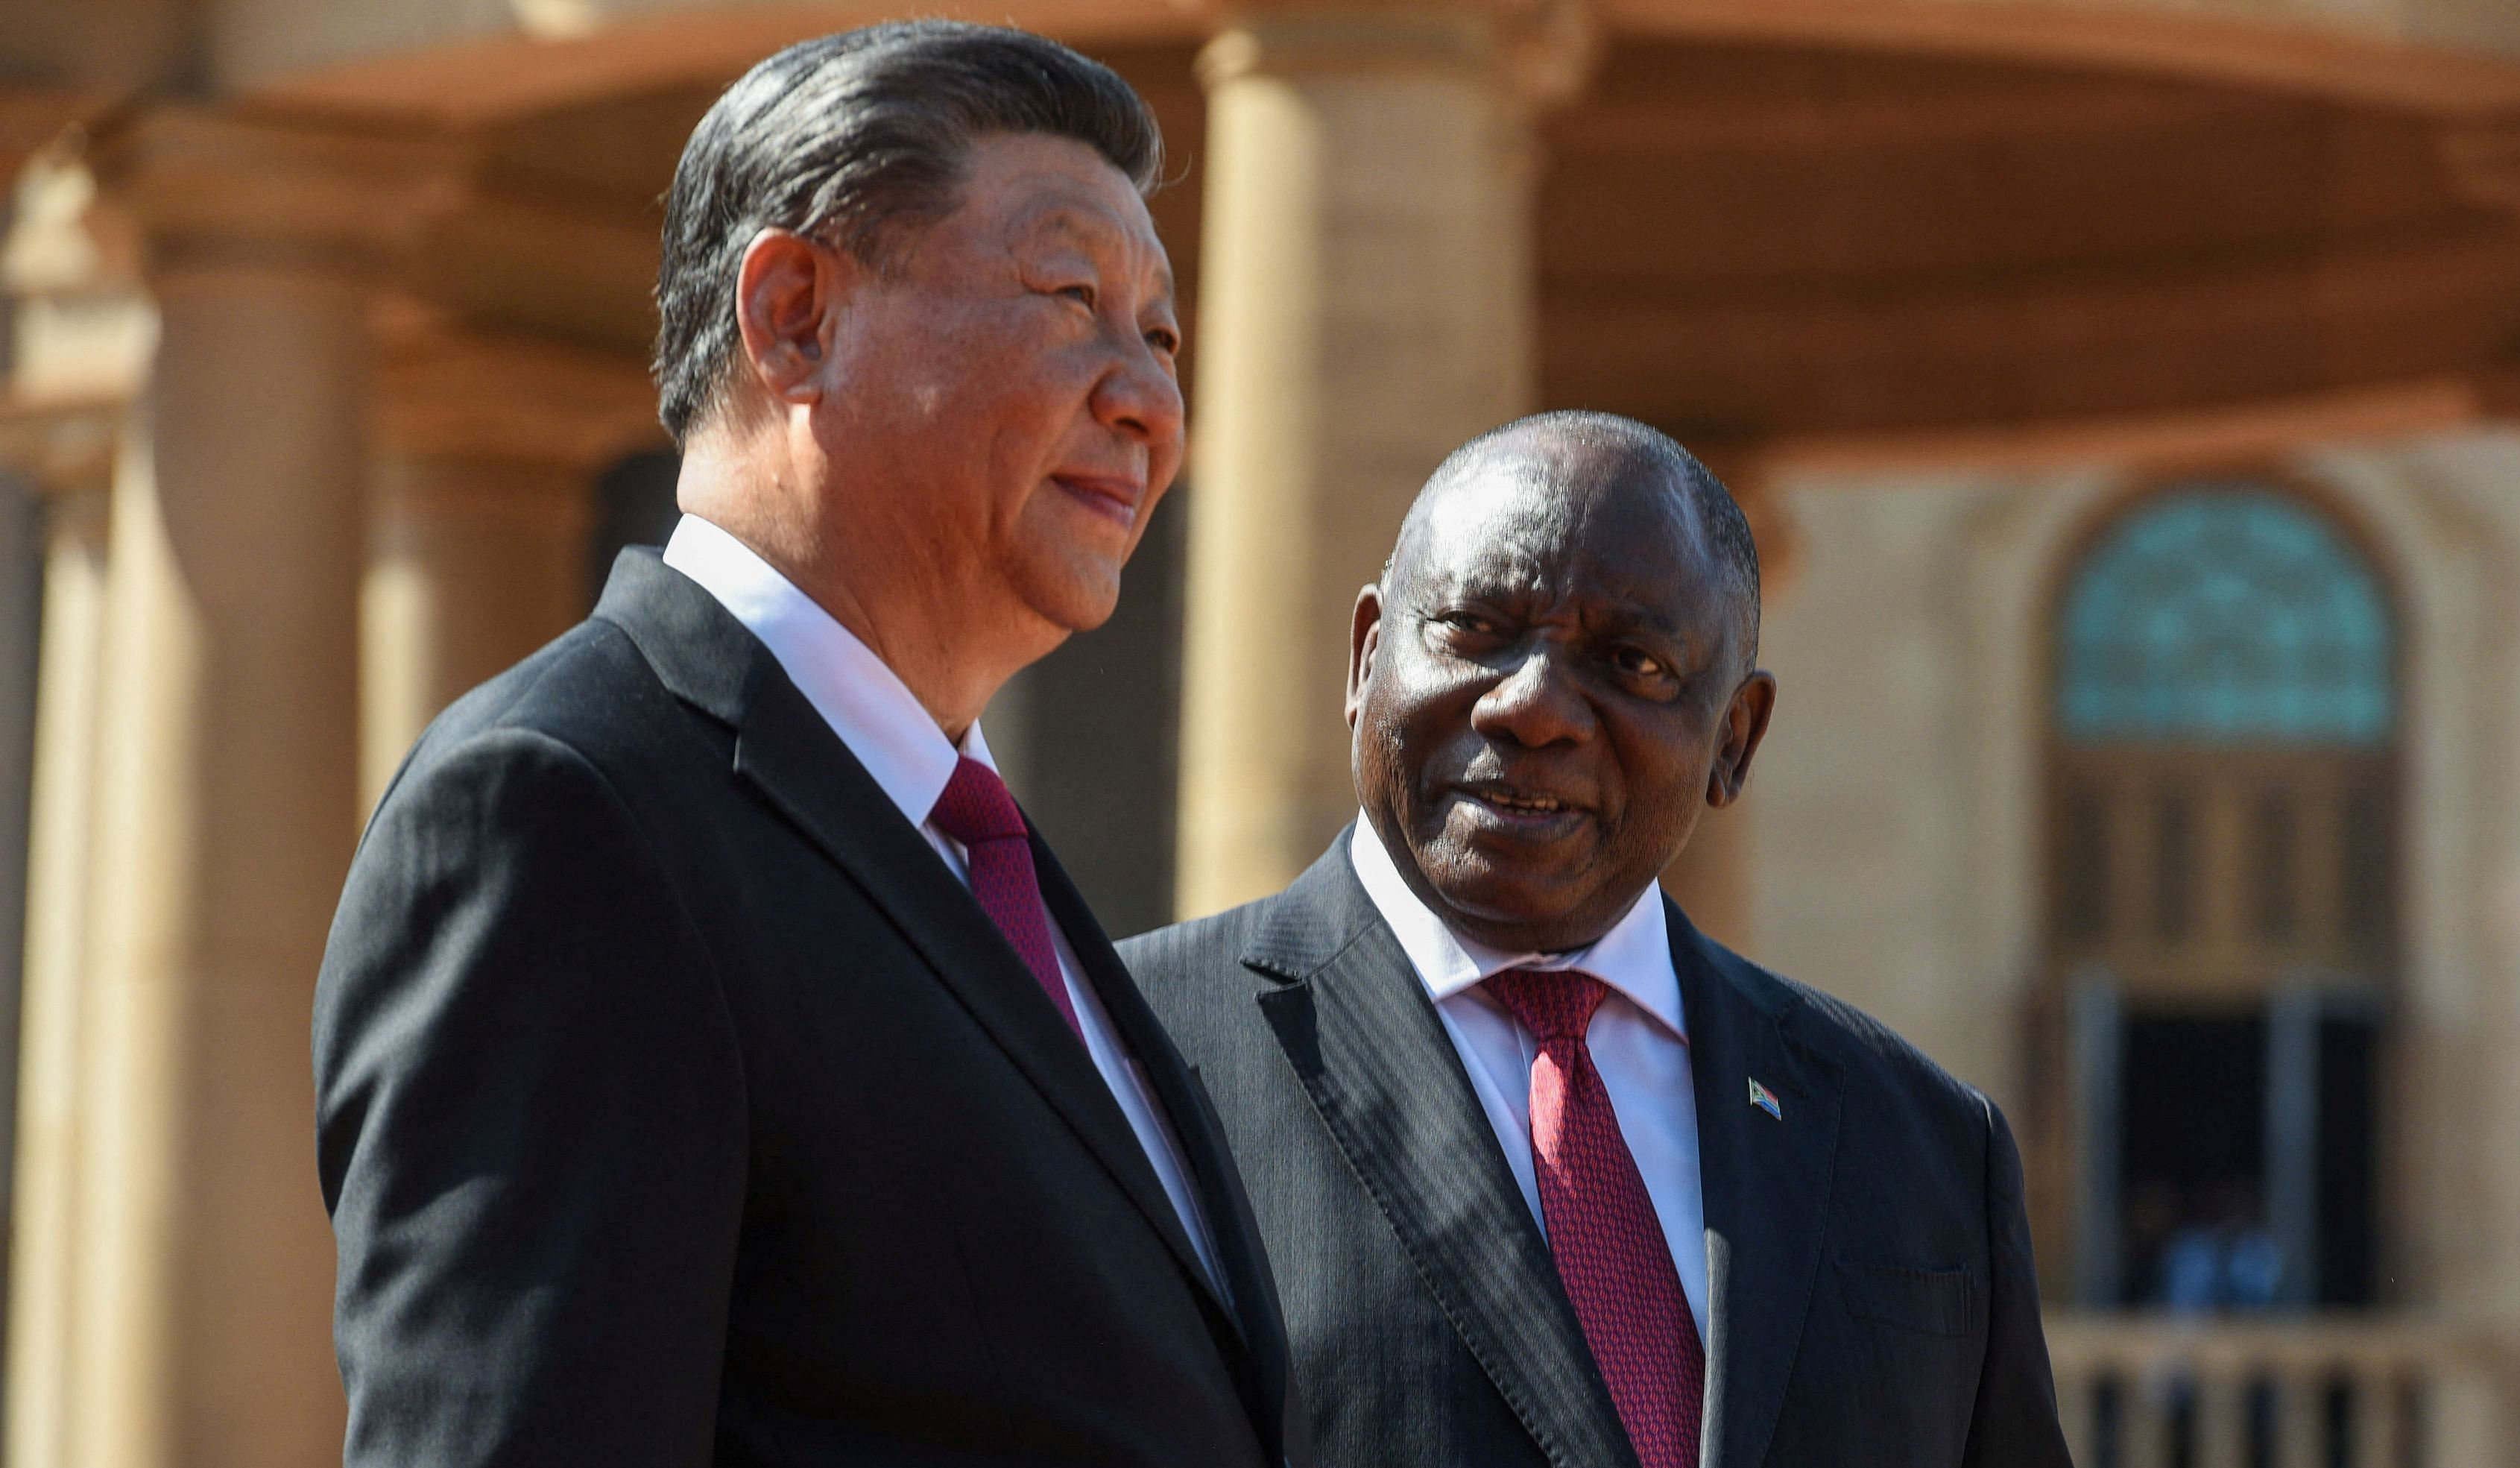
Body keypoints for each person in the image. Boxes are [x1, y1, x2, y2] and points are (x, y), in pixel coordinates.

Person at [313, 22, 1300, 1467]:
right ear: (793, 316)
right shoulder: (569, 810)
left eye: (1160, 335)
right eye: (1071, 293)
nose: (1149, 400)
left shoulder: (971, 861)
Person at [1122, 411, 2071, 1468]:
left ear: (1735, 741)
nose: (1533, 707)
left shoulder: (1923, 1144)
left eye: (1633, 662)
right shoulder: (1124, 1054)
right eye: (1475, 628)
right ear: (1364, 657)